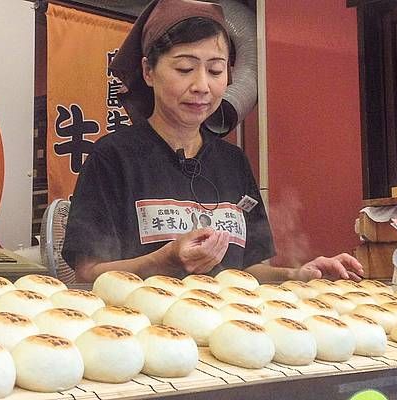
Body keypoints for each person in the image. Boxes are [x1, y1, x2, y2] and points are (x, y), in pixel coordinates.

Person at [63, 0, 364, 283]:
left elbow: (245, 270)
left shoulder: (232, 162)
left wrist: (296, 276)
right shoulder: (114, 157)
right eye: (184, 69)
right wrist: (165, 260)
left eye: (216, 70)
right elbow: (88, 272)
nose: (202, 86)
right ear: (148, 71)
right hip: (142, 330)